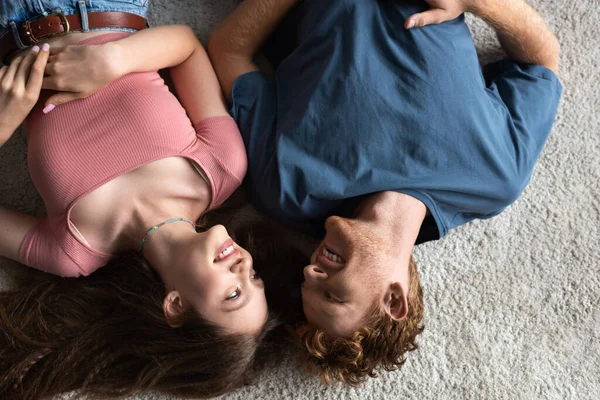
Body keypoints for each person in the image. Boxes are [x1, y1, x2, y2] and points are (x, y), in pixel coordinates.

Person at [206, 0, 562, 385]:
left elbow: (229, 49)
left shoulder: (286, 193)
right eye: (333, 295)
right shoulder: (495, 179)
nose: (310, 270)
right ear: (394, 299)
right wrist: (478, 3)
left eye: (309, 284)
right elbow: (542, 64)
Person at [0, 1, 275, 398]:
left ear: (177, 306)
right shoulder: (222, 168)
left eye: (233, 294)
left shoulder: (72, 251)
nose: (244, 266)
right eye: (255, 278)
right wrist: (114, 59)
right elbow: (186, 45)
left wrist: (3, 124)